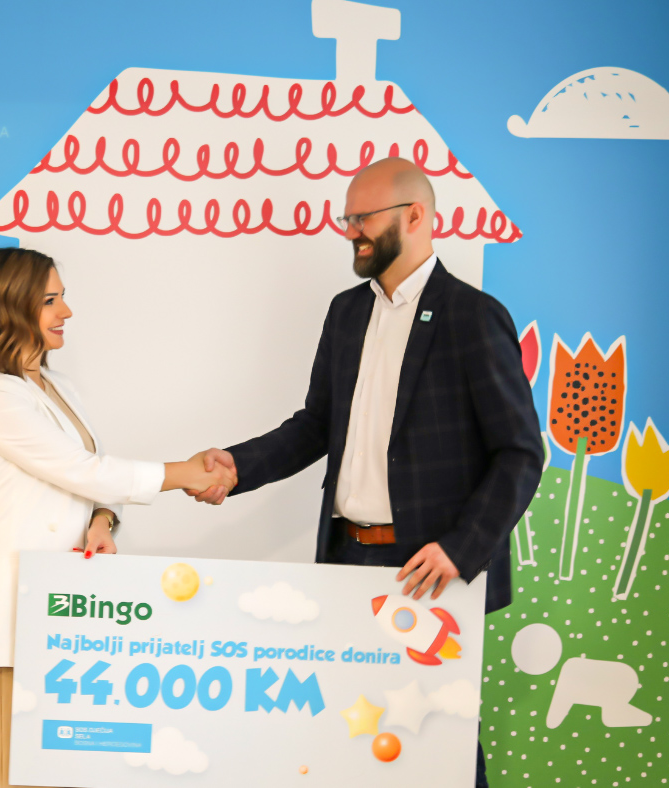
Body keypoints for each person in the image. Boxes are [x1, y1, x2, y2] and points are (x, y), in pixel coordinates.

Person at [189, 158, 544, 787]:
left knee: (438, 741)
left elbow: (520, 452)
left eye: (363, 218)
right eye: (347, 217)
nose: (350, 230)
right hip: (347, 559)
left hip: (428, 571)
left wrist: (462, 549)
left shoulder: (472, 316)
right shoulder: (346, 312)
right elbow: (316, 425)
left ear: (416, 216)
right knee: (355, 739)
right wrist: (238, 466)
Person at [0, 247, 236, 788]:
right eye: (50, 300)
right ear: (12, 306)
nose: (66, 311)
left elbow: (92, 484)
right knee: (7, 772)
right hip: (18, 614)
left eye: (62, 298)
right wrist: (185, 473)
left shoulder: (58, 388)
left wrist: (102, 522)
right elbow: (83, 470)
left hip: (66, 612)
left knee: (64, 770)